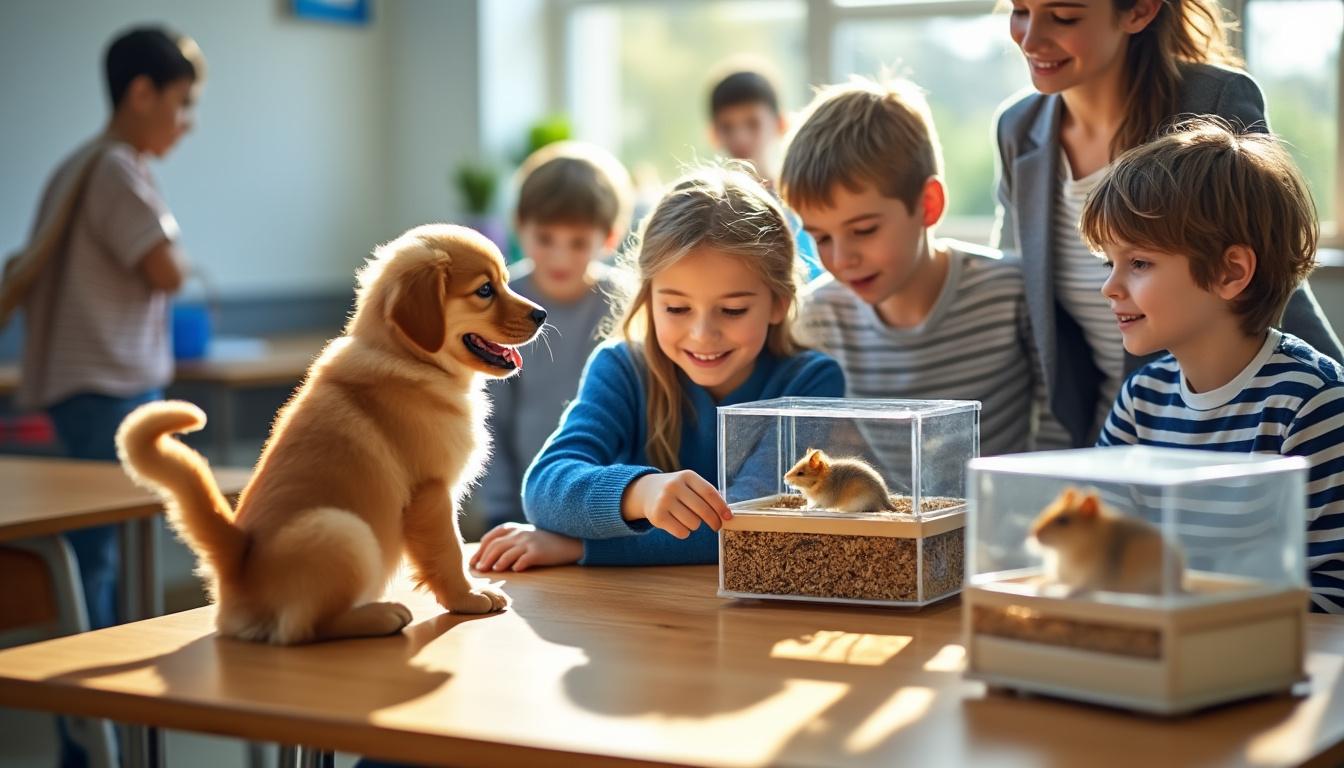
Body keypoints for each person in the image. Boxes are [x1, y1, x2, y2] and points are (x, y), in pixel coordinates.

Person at [992, 0, 1342, 448]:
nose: (1030, 38)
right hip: (1116, 425)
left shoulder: (1210, 102)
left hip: (1234, 423)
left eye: (1064, 16)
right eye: (1020, 10)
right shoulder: (1017, 127)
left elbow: (1268, 272)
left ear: (1138, 11)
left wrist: (1327, 406)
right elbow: (1018, 289)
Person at [471, 165, 844, 571]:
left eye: (733, 309)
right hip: (636, 614)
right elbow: (544, 486)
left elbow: (751, 523)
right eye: (677, 308)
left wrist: (584, 549)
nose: (703, 334)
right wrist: (640, 493)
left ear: (778, 303)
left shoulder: (812, 382)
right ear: (648, 299)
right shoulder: (621, 368)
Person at [1087, 119, 1343, 614]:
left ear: (1230, 272)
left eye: (1138, 263)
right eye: (1108, 263)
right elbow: (1100, 550)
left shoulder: (1312, 407)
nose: (1110, 287)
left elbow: (1335, 597)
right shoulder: (1142, 399)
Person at [782, 77, 1053, 456]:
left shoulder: (1010, 291)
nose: (842, 259)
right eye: (821, 238)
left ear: (928, 204)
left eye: (863, 230)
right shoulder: (817, 318)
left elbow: (1058, 425)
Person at [478, 141, 632, 528]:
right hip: (519, 509)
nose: (560, 256)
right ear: (519, 227)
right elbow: (488, 415)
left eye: (578, 242)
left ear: (609, 238)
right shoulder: (499, 303)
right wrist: (499, 512)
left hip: (610, 504)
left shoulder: (629, 303)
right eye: (545, 238)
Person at [707, 66, 824, 282]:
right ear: (713, 133)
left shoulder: (802, 200)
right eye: (727, 126)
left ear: (781, 124)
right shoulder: (707, 207)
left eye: (753, 123)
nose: (740, 137)